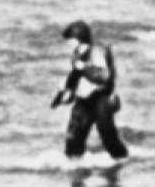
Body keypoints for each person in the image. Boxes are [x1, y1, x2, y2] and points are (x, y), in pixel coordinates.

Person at [54, 20, 129, 164]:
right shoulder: (77, 54)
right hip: (83, 99)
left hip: (100, 98)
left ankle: (121, 161)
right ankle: (75, 167)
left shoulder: (97, 52)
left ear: (79, 38)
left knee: (108, 135)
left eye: (71, 40)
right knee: (74, 138)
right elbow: (75, 76)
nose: (68, 44)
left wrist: (84, 68)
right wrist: (67, 92)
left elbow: (104, 77)